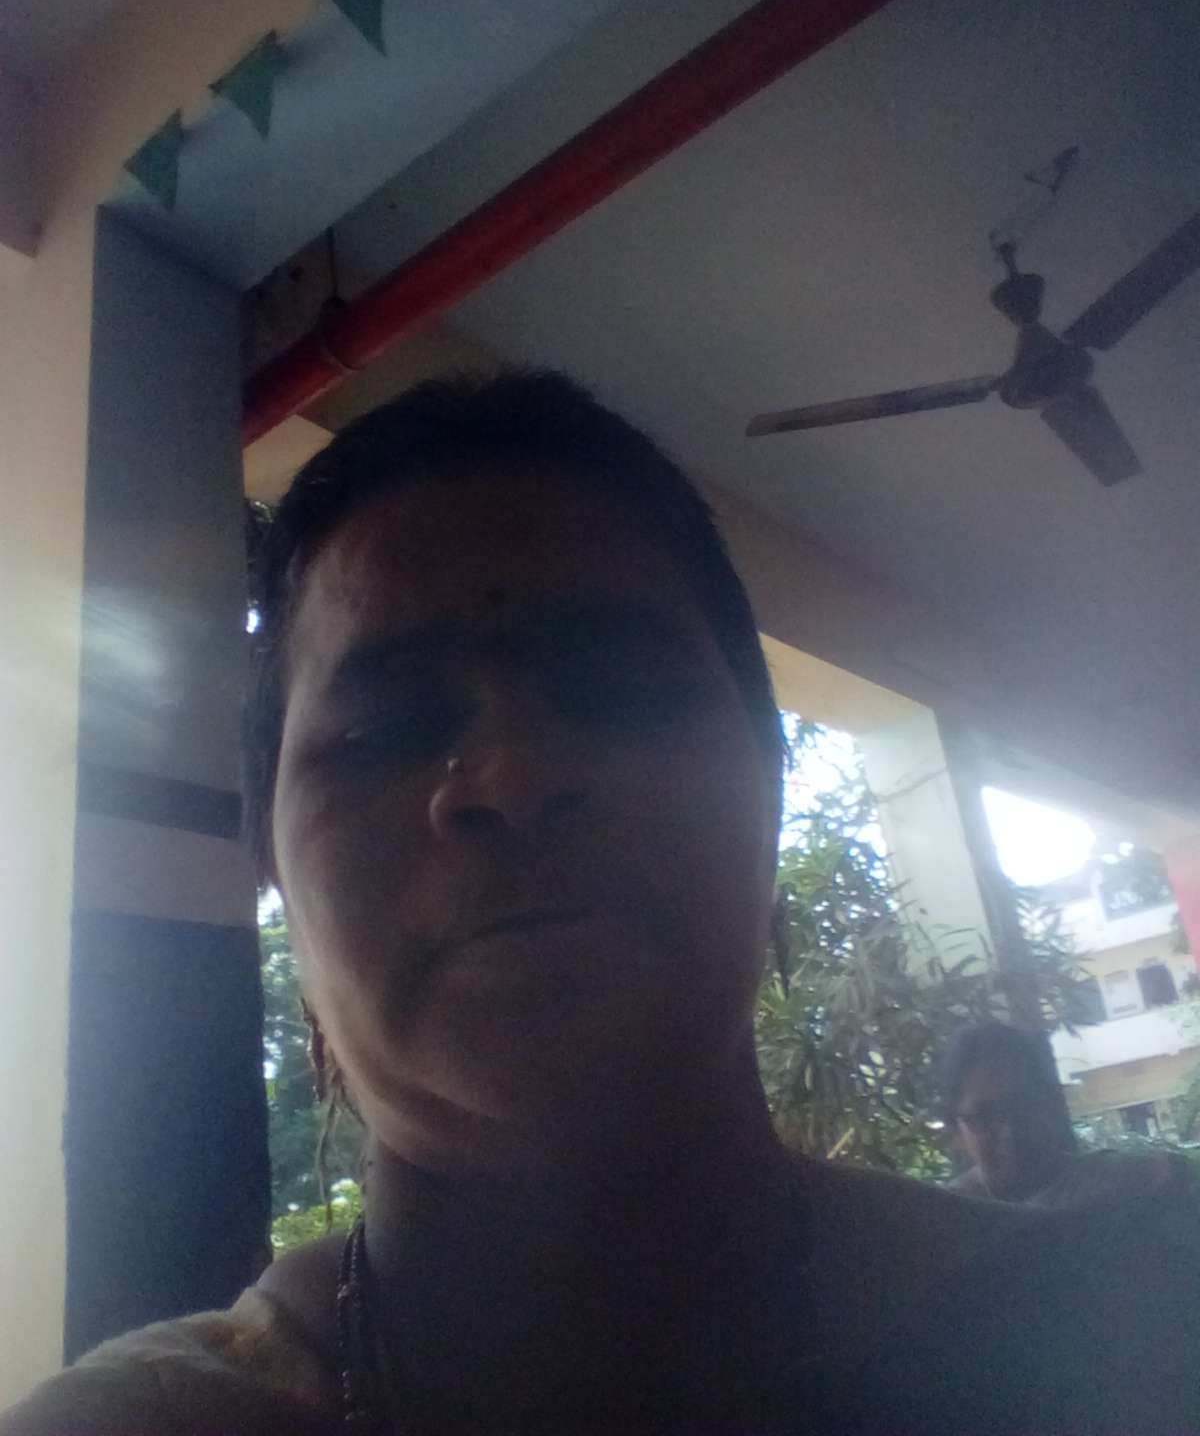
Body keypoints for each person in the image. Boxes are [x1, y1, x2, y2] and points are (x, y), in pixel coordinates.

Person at [6, 371, 1199, 1434]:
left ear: (769, 788)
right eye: (383, 728)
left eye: (622, 688)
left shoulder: (1136, 1342)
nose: (514, 776)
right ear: (270, 864)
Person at [946, 1019, 1196, 1211]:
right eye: (984, 1117)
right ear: (956, 1131)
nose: (1008, 1131)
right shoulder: (948, 1221)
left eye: (1022, 1107)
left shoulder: (1116, 1184)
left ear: (1047, 1108)